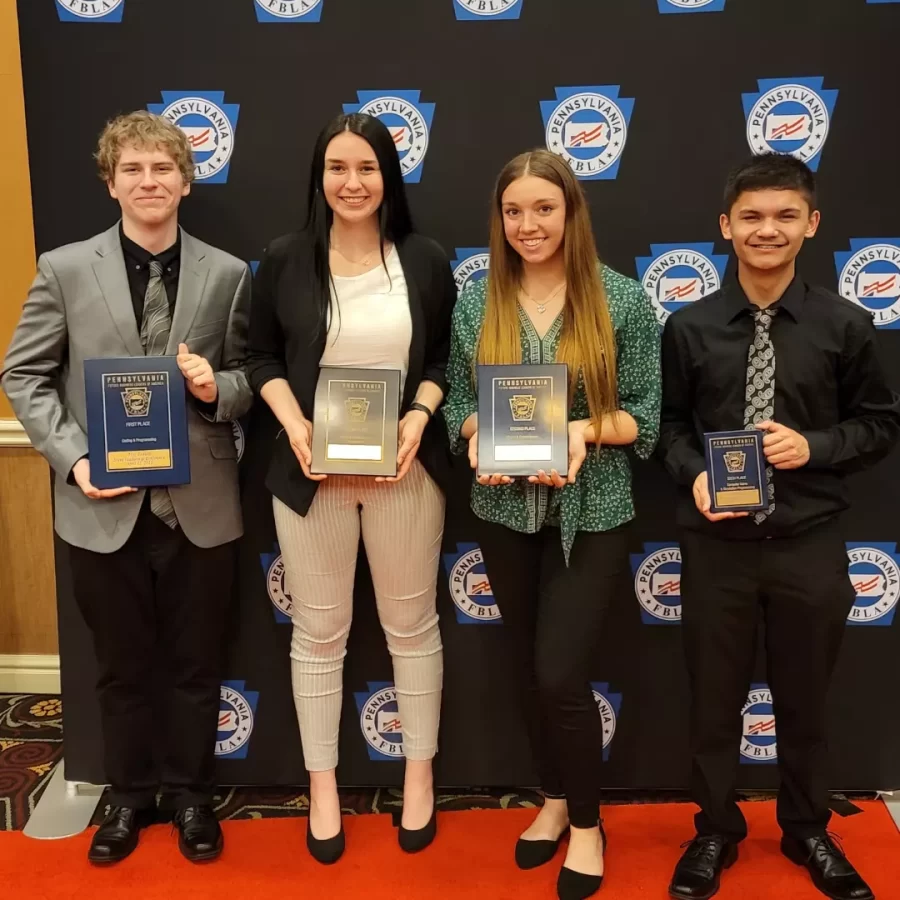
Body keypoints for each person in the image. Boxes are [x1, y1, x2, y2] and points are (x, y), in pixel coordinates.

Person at [1, 111, 252, 863]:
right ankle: (129, 796)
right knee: (120, 665)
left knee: (197, 663)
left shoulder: (229, 273)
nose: (150, 182)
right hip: (99, 507)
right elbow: (24, 374)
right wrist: (75, 459)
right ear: (110, 182)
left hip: (199, 507)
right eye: (134, 170)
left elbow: (250, 377)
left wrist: (218, 387)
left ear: (186, 180)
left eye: (163, 168)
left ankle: (192, 797)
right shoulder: (64, 268)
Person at [659, 152, 899, 900]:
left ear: (812, 224)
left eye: (785, 215)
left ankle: (807, 830)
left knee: (804, 699)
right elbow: (665, 428)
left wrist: (816, 446)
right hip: (716, 548)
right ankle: (714, 831)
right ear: (725, 226)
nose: (769, 229)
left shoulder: (845, 325)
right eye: (753, 216)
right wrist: (694, 471)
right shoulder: (689, 327)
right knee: (712, 702)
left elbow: (881, 426)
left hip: (808, 540)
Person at [443, 148, 661, 900]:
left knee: (558, 672)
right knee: (526, 671)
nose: (528, 225)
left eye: (543, 209)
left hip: (592, 511)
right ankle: (555, 798)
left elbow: (646, 415)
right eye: (513, 212)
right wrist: (475, 433)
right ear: (498, 220)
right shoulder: (479, 301)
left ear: (570, 212)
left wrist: (579, 433)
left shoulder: (621, 299)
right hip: (503, 510)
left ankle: (590, 826)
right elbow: (451, 401)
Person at [246, 112, 455, 864]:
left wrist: (417, 418)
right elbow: (256, 355)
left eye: (366, 167)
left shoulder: (425, 260)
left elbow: (442, 362)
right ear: (319, 176)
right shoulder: (284, 258)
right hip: (310, 479)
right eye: (337, 167)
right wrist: (295, 425)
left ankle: (419, 777)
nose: (352, 182)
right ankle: (324, 786)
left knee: (412, 630)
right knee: (318, 637)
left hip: (405, 473)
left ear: (388, 177)